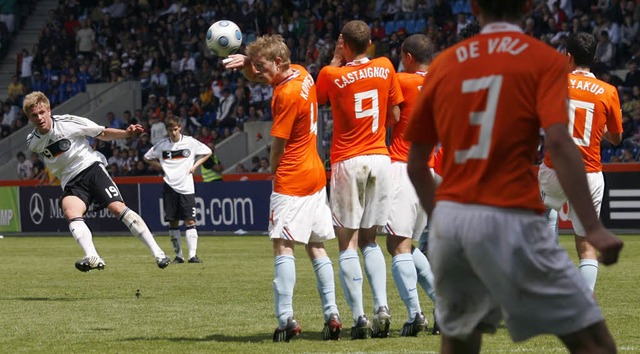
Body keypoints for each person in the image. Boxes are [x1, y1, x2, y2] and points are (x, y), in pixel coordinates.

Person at [404, 1, 623, 353]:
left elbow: (416, 164)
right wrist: (594, 227)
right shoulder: (543, 61)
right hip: (512, 218)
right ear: (527, 6)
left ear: (474, 6)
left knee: (459, 344)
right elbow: (560, 144)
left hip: (457, 219)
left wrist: (441, 217)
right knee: (595, 344)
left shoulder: (444, 65)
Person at [225, 34, 342, 342]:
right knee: (317, 247)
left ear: (277, 61)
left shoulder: (285, 96)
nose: (258, 74)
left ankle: (286, 318)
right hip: (316, 174)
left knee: (283, 246)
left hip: (292, 178)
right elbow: (265, 73)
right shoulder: (302, 73)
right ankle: (332, 314)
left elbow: (278, 145)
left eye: (261, 67)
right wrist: (247, 64)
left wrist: (273, 170)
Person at [315, 19, 404, 339]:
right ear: (370, 43)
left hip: (347, 161)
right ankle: (383, 307)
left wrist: (336, 60)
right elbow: (395, 116)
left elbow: (319, 99)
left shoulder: (331, 74)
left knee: (347, 243)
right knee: (370, 240)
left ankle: (360, 316)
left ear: (344, 44)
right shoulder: (385, 66)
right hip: (381, 158)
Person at [23, 91, 171, 272]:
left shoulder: (68, 123)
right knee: (71, 212)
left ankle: (158, 252)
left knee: (117, 208)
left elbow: (101, 132)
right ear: (29, 118)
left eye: (41, 112)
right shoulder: (33, 142)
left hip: (91, 168)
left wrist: (125, 134)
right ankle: (93, 257)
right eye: (34, 115)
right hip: (70, 181)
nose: (39, 118)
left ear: (49, 110)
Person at [539, 31, 623, 292]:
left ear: (568, 57)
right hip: (589, 173)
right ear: (595, 57)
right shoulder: (608, 91)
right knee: (586, 246)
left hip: (555, 171)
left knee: (540, 216)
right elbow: (617, 138)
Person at [384, 33, 438, 337]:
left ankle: (416, 314)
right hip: (427, 173)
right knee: (405, 244)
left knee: (398, 245)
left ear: (407, 57)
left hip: (403, 168)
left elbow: (388, 117)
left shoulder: (401, 81)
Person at [144, 116, 212, 264]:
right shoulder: (162, 145)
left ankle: (192, 255)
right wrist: (161, 166)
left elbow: (207, 152)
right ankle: (179, 256)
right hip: (169, 187)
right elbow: (147, 157)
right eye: (170, 130)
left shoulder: (190, 142)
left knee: (190, 220)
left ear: (180, 127)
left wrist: (195, 166)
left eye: (175, 129)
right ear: (167, 131)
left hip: (186, 187)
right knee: (173, 222)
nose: (173, 133)